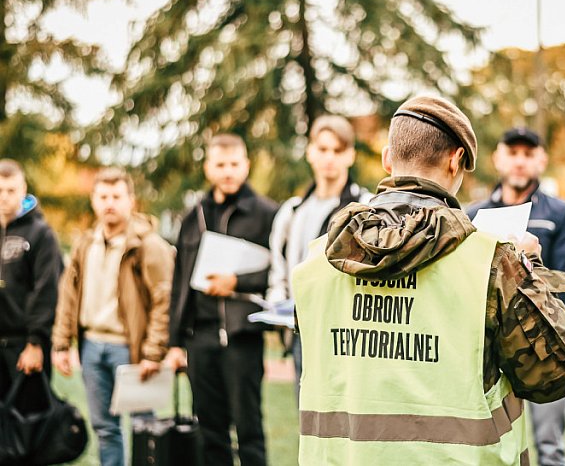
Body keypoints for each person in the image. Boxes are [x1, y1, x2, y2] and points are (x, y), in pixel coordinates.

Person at [292, 95, 565, 465]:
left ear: (388, 159)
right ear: (456, 160)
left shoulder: (317, 259)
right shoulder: (491, 260)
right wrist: (525, 267)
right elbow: (554, 374)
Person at [466, 127, 565, 466]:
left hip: (542, 346)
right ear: (497, 158)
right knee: (488, 444)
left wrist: (527, 263)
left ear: (542, 160)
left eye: (528, 153)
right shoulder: (473, 215)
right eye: (513, 152)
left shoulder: (562, 216)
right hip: (486, 349)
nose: (520, 161)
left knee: (549, 447)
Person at [163, 133, 278, 466]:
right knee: (210, 432)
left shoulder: (267, 213)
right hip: (200, 338)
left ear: (246, 165)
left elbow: (279, 273)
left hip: (242, 338)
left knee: (249, 431)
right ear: (208, 168)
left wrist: (236, 282)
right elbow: (179, 282)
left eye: (234, 164)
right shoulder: (193, 216)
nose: (227, 171)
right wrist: (175, 341)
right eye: (220, 165)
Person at [52, 167, 174, 466]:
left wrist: (153, 352)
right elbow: (68, 295)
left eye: (117, 196)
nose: (109, 203)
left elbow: (164, 301)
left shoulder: (148, 245)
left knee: (143, 427)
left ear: (131, 200)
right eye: (103, 196)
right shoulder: (85, 243)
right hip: (92, 346)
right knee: (105, 429)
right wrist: (60, 343)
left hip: (131, 349)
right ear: (93, 199)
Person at [268, 114, 371, 400]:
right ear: (310, 151)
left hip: (347, 332)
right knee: (308, 418)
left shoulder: (366, 206)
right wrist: (278, 304)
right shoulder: (292, 211)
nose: (329, 158)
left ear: (349, 155)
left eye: (337, 151)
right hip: (302, 331)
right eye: (323, 149)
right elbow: (279, 269)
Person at [0, 159, 62, 411]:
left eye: (11, 190)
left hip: (24, 347)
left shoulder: (41, 234)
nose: (4, 197)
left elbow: (47, 291)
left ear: (23, 189)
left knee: (28, 425)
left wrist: (36, 342)